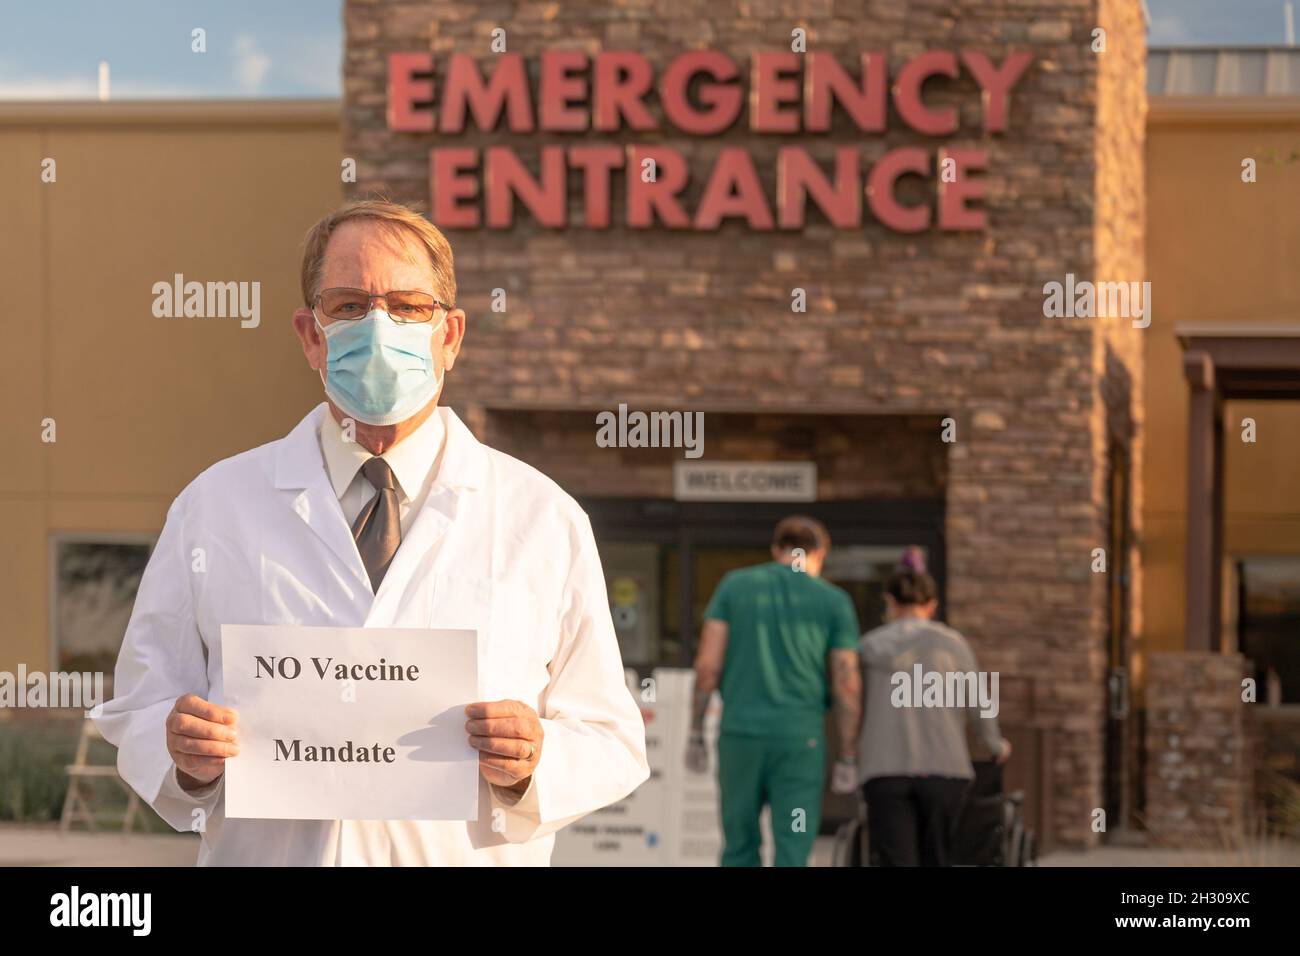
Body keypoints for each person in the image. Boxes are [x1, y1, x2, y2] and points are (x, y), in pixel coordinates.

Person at [94, 199, 649, 865]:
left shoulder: (541, 518)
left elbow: (612, 737)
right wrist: (183, 756)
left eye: (409, 305)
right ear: (310, 336)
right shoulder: (214, 509)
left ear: (450, 336)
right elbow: (138, 708)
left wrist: (535, 762)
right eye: (350, 305)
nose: (380, 328)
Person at [687, 516, 862, 867]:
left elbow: (707, 666)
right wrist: (847, 753)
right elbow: (846, 682)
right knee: (794, 844)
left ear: (775, 549)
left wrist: (696, 732)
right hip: (799, 742)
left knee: (738, 844)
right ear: (820, 553)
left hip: (740, 738)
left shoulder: (735, 587)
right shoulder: (833, 601)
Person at [857, 548, 1010, 866]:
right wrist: (994, 743)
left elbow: (853, 703)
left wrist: (849, 751)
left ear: (890, 601)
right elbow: (977, 701)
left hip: (884, 768)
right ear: (932, 605)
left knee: (895, 858)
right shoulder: (952, 645)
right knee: (937, 857)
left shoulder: (869, 647)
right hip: (944, 767)